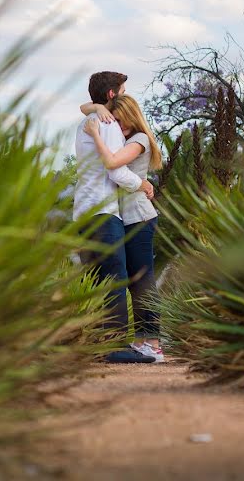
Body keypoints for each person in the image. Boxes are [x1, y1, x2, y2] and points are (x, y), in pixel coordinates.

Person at [74, 71, 157, 364]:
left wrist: (93, 107)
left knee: (97, 279)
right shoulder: (107, 124)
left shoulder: (85, 122)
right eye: (122, 90)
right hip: (104, 211)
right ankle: (116, 346)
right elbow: (116, 170)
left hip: (82, 212)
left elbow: (86, 109)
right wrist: (143, 184)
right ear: (112, 95)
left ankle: (99, 343)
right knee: (115, 278)